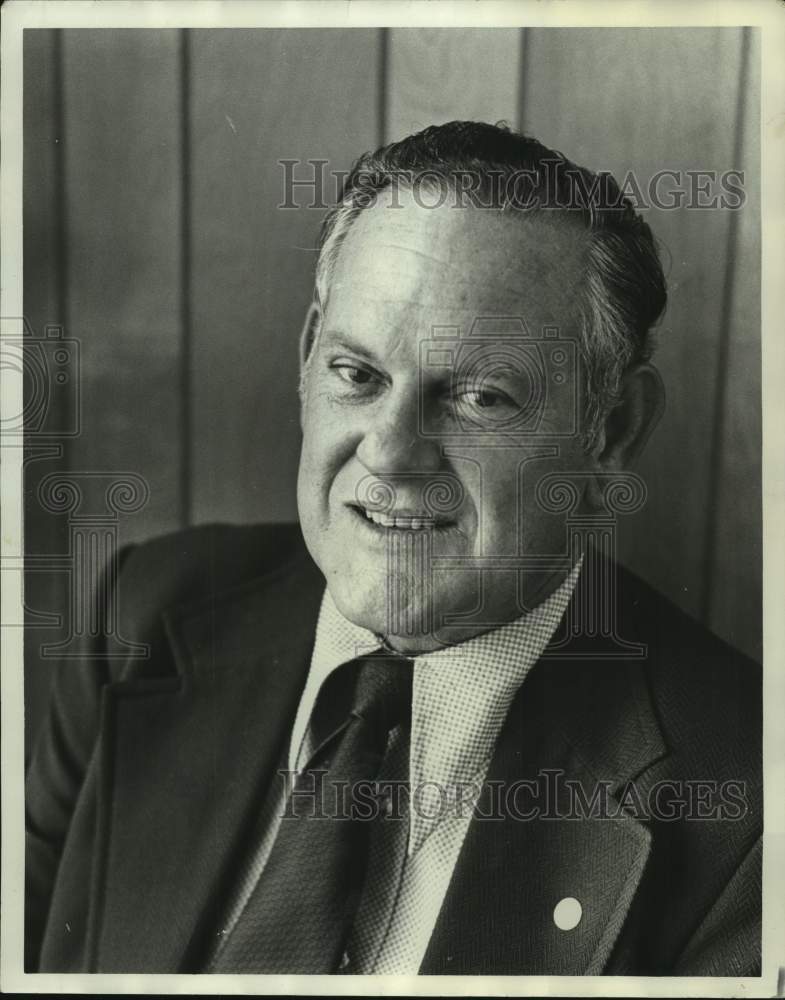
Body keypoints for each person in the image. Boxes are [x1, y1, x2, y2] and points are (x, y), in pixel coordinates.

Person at [25, 121, 761, 976]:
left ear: (612, 433)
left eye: (479, 396)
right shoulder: (144, 614)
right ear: (307, 361)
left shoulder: (745, 807)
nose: (388, 451)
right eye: (357, 375)